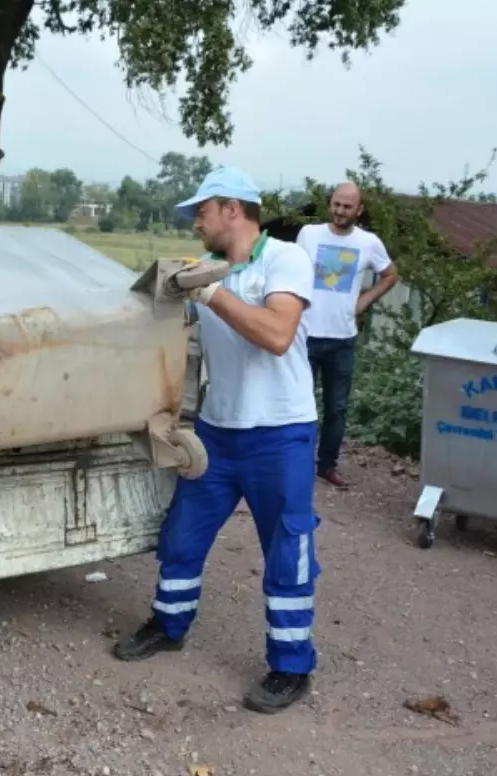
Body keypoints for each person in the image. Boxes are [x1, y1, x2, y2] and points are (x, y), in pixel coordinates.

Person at [112, 166, 322, 715]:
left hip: (281, 433)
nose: (195, 223)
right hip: (219, 430)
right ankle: (169, 624)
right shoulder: (213, 270)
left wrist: (211, 291)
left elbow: (277, 335)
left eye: (201, 212)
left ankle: (290, 667)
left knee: (287, 549)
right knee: (182, 534)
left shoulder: (286, 258)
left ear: (232, 209)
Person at [296, 182, 397, 488]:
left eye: (347, 206)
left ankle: (326, 465)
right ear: (330, 204)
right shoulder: (308, 234)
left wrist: (364, 300)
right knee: (300, 404)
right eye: (336, 204)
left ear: (359, 210)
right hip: (306, 333)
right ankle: (298, 464)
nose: (340, 211)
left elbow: (390, 274)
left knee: (336, 408)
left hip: (343, 338)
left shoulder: (369, 242)